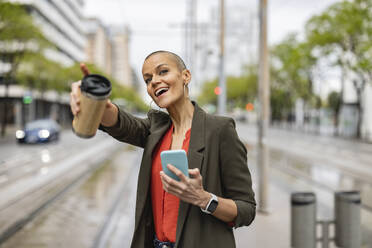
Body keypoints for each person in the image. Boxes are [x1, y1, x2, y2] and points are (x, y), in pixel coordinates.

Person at [70, 50, 256, 248]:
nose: (154, 82)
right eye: (148, 79)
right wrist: (96, 100)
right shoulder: (155, 128)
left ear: (186, 76)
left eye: (163, 72)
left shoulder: (220, 130)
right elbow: (120, 122)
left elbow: (246, 210)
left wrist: (203, 198)